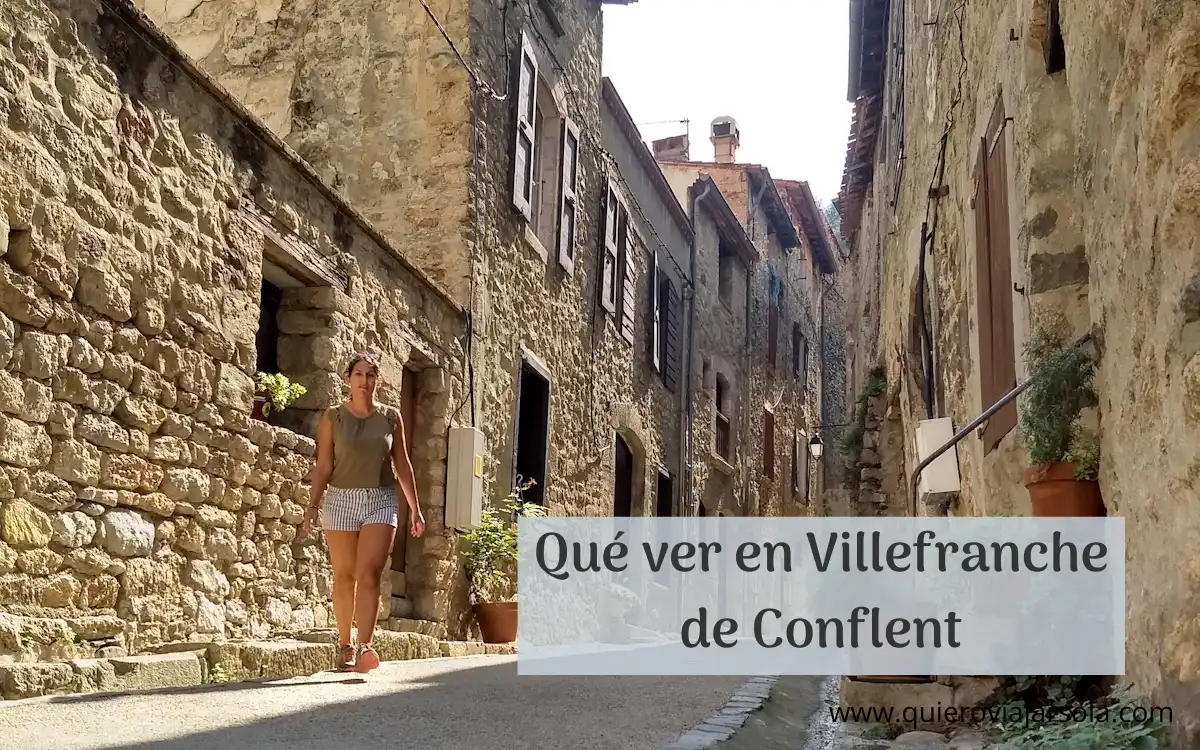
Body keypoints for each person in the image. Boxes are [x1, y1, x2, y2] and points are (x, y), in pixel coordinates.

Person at [301, 352, 425, 673]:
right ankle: (346, 645)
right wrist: (313, 505)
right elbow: (324, 465)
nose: (364, 380)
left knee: (369, 575)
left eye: (371, 375)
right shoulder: (333, 418)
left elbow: (402, 465)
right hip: (340, 500)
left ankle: (366, 645)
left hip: (381, 500)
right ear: (348, 379)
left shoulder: (391, 418)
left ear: (377, 380)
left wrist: (415, 509)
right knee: (344, 576)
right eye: (358, 374)